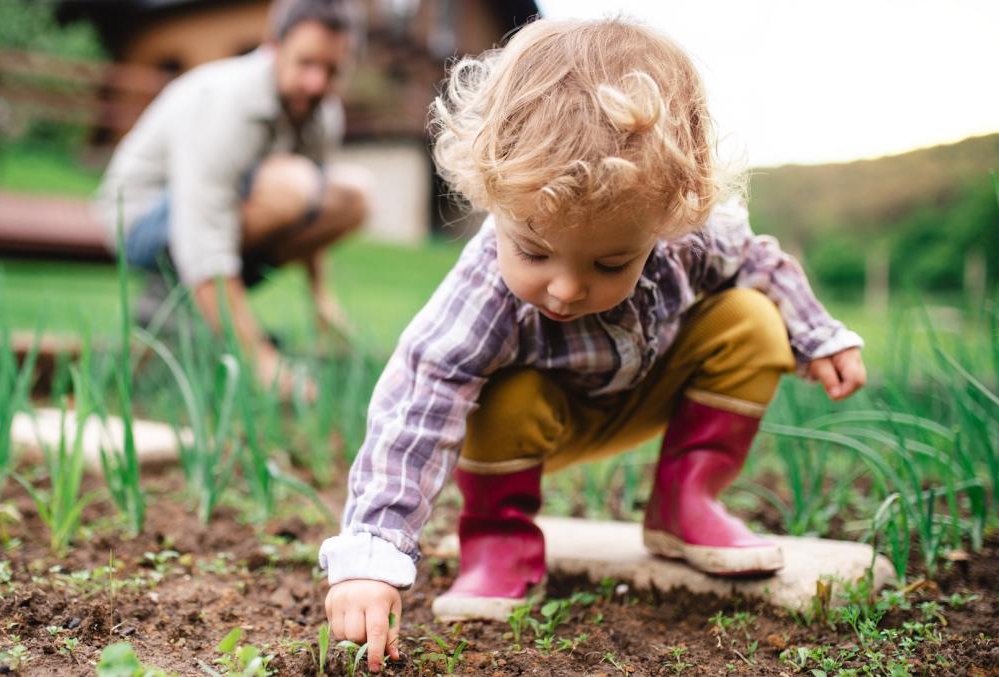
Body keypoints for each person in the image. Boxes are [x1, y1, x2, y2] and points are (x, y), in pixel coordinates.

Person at [318, 17, 867, 672]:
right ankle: (498, 538)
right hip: (536, 424)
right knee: (493, 390)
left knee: (751, 317)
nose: (566, 287)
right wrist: (373, 553)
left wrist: (817, 334)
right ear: (493, 197)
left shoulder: (684, 236)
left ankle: (685, 501)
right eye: (534, 250)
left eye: (610, 263)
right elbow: (417, 401)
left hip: (647, 389)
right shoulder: (483, 291)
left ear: (665, 219)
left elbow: (761, 262)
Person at [94, 0, 369, 398]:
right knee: (292, 184)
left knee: (353, 197)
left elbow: (314, 210)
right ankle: (176, 306)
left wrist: (321, 299)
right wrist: (260, 359)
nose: (316, 82)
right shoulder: (228, 101)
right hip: (141, 218)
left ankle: (201, 313)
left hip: (219, 214)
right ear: (273, 47)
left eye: (332, 70)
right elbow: (203, 229)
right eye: (305, 63)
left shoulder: (323, 111)